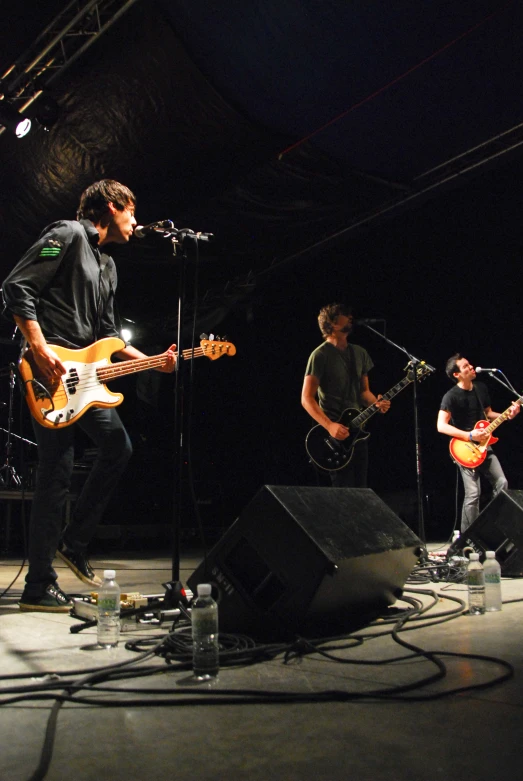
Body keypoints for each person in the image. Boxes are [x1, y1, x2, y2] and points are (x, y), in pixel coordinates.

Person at [2, 179, 176, 612]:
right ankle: (38, 585)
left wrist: (152, 360)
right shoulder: (66, 234)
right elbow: (16, 287)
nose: (135, 222)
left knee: (118, 446)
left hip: (86, 379)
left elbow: (108, 335)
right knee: (56, 470)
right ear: (112, 206)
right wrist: (39, 348)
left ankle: (73, 543)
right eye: (131, 212)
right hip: (50, 371)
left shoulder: (109, 266)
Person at [301, 302, 390, 487]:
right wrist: (330, 426)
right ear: (332, 324)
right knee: (343, 494)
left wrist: (377, 403)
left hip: (357, 432)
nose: (350, 317)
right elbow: (306, 398)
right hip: (334, 436)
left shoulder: (360, 352)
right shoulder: (319, 355)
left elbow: (364, 393)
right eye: (344, 314)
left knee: (362, 491)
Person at [437, 354, 519, 533]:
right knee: (473, 493)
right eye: (466, 366)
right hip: (464, 448)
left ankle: (492, 527)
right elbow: (441, 426)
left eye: (470, 364)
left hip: (485, 446)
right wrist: (469, 435)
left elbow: (488, 414)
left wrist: (509, 415)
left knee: (502, 483)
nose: (471, 367)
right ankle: (468, 538)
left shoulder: (481, 388)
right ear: (457, 374)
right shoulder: (450, 396)